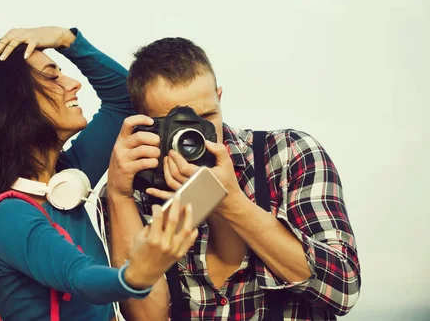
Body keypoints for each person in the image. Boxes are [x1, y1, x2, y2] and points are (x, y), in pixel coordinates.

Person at [0, 27, 198, 321]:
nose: (74, 84)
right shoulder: (10, 215)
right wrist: (137, 274)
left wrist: (67, 39)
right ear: (14, 104)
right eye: (53, 76)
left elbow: (126, 99)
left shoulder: (66, 179)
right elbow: (79, 276)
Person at [104, 37, 361, 320]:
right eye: (176, 124)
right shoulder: (137, 190)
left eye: (207, 115)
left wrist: (228, 201)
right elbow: (146, 317)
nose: (196, 134)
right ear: (144, 122)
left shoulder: (288, 155)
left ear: (219, 97)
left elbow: (343, 288)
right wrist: (119, 196)